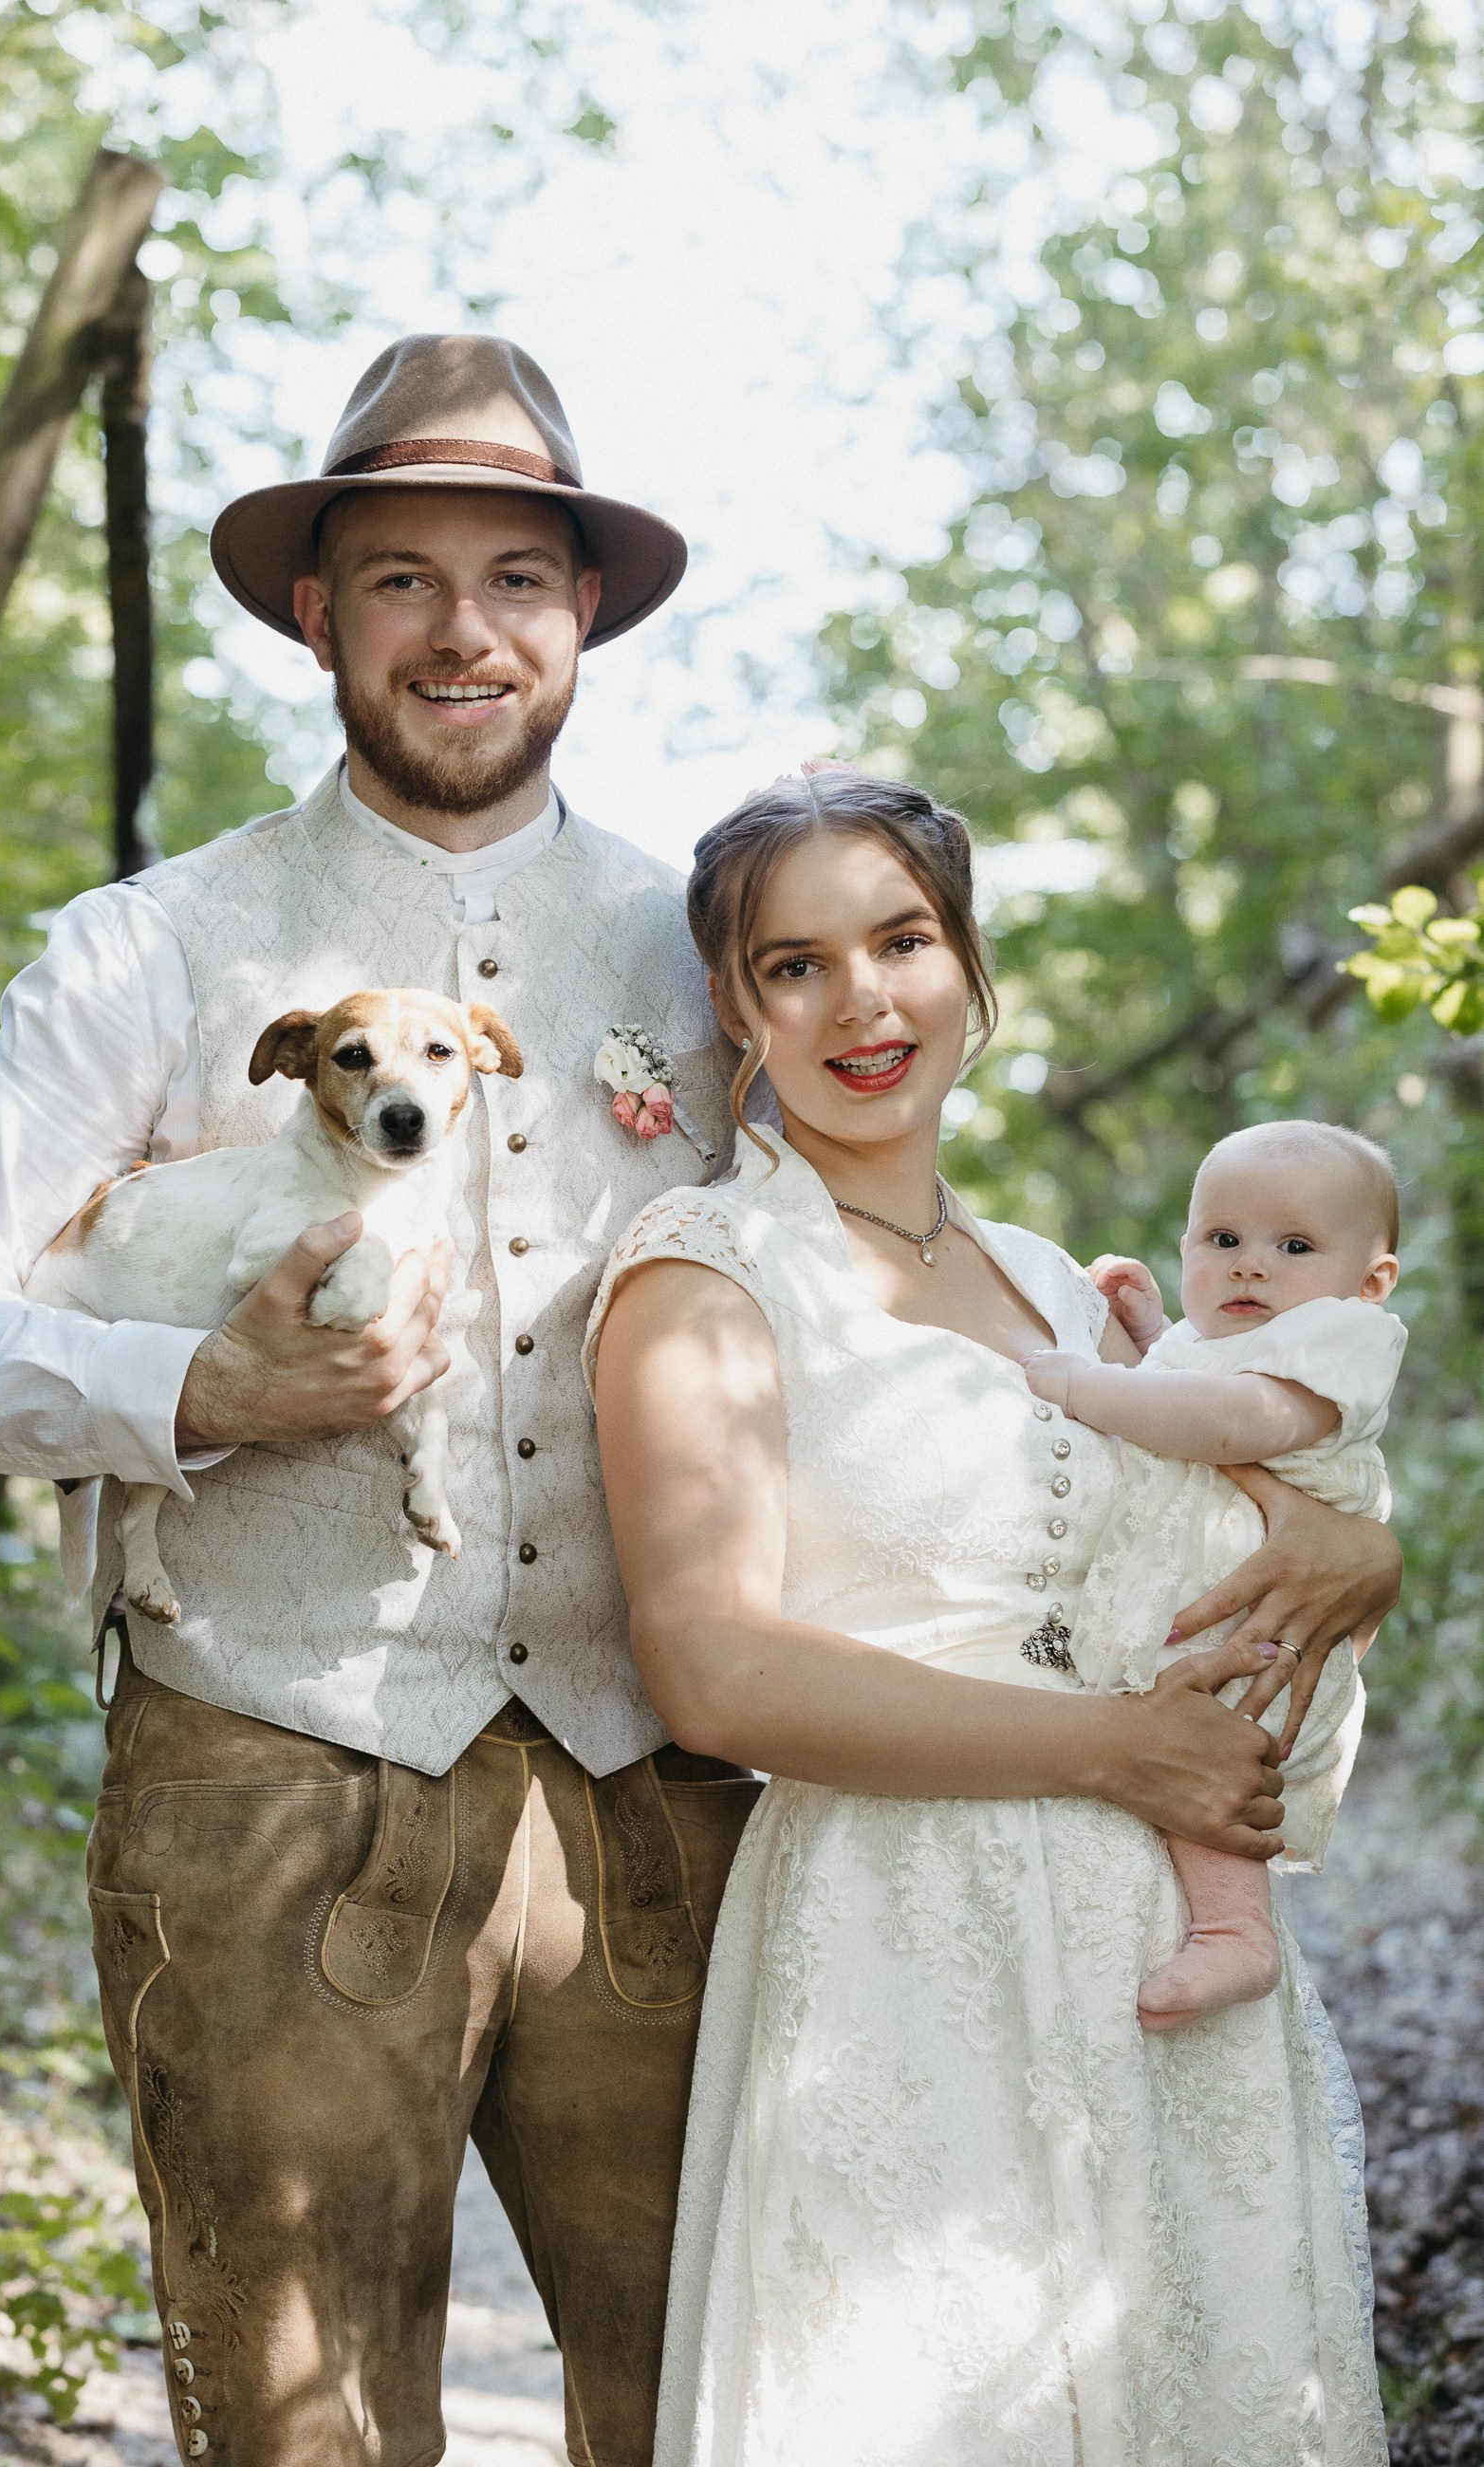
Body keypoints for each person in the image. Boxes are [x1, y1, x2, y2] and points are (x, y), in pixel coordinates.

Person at [0, 343, 1392, 2466]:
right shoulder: (151, 951)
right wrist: (190, 1377)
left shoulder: (716, 951)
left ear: (582, 616)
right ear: (315, 612)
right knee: (306, 2433)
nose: (460, 630)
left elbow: (913, 1317)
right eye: (398, 577)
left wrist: (1294, 1488)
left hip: (664, 1795)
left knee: (733, 2399)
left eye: (514, 577)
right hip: (268, 1756)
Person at [587, 769, 1391, 2466]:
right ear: (735, 1007)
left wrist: (1350, 1551)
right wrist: (1118, 1752)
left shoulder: (1047, 1274)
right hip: (899, 1937)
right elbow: (711, 1669)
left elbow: (1188, 1522)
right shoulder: (704, 1269)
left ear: (965, 963)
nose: (861, 1000)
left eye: (901, 939)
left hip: (1150, 1940)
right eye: (793, 965)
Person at [1022, 1119, 1405, 2030]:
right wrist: (1153, 1330)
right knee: (1171, 1732)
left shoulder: (1340, 1343)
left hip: (1263, 1632)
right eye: (1221, 1240)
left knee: (1208, 1750)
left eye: (1293, 1245)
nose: (1249, 1265)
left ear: (1370, 1281)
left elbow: (1231, 1421)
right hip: (1203, 1609)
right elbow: (1201, 1387)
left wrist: (1081, 1384)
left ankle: (1237, 1932)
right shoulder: (1236, 1344)